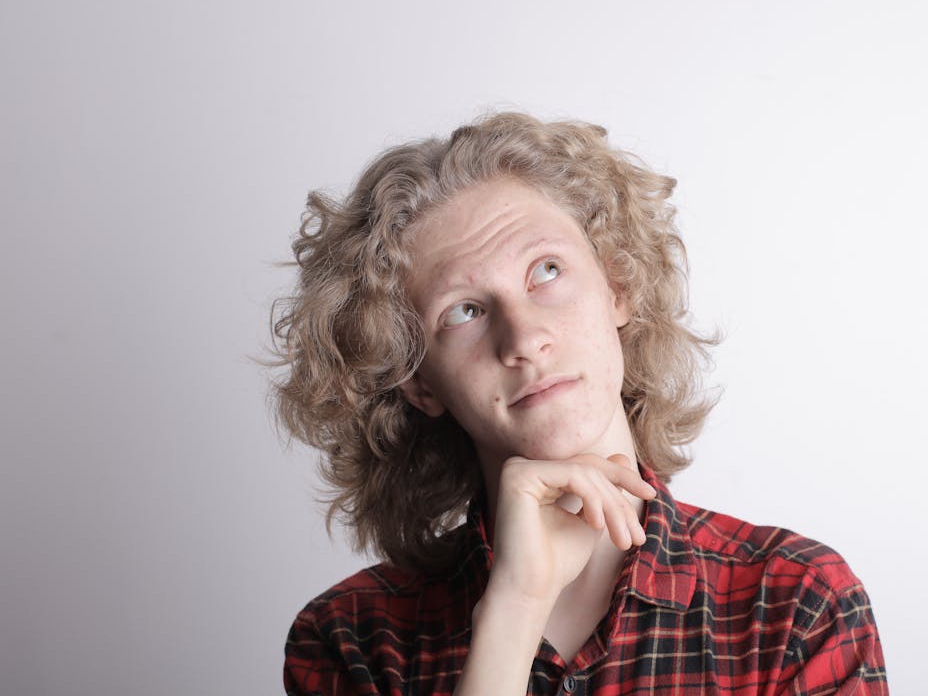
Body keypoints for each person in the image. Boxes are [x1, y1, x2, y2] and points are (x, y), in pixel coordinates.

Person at [271, 112, 888, 695]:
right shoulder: (349, 641)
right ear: (418, 382)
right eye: (464, 311)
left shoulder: (795, 606)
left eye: (546, 271)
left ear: (617, 287)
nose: (523, 338)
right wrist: (515, 607)